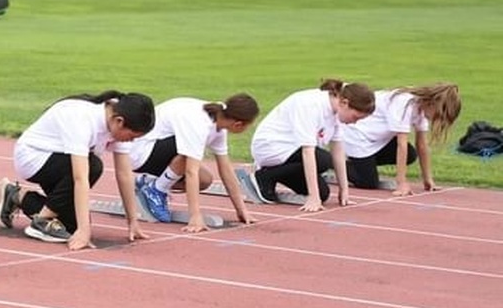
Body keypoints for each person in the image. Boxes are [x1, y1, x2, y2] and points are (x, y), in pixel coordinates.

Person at [0, 91, 156, 250]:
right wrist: (84, 231)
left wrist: (132, 221)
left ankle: (16, 195)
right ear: (119, 121)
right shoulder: (82, 119)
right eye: (132, 136)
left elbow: (124, 174)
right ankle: (42, 220)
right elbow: (80, 177)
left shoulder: (116, 119)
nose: (131, 141)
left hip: (61, 163)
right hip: (34, 159)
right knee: (94, 166)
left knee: (71, 227)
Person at [132, 95, 260, 231]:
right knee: (188, 154)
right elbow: (190, 171)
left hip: (156, 149)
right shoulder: (199, 124)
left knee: (204, 180)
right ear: (238, 124)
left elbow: (225, 169)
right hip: (140, 151)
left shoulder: (219, 123)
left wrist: (241, 210)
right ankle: (156, 190)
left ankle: (149, 182)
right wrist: (195, 216)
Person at [249, 79, 375, 212]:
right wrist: (313, 197)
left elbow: (337, 150)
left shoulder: (337, 112)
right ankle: (263, 176)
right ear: (344, 103)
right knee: (323, 160)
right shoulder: (310, 105)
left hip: (292, 152)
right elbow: (308, 152)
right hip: (271, 147)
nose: (354, 123)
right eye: (355, 117)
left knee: (323, 194)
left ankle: (269, 176)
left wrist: (344, 190)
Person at [342, 83, 461, 196]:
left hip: (377, 140)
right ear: (433, 104)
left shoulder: (422, 109)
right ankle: (336, 162)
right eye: (438, 116)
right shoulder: (404, 104)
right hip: (358, 136)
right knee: (368, 182)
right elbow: (401, 144)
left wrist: (428, 179)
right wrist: (401, 182)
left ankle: (359, 164)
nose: (436, 120)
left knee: (410, 154)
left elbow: (422, 145)